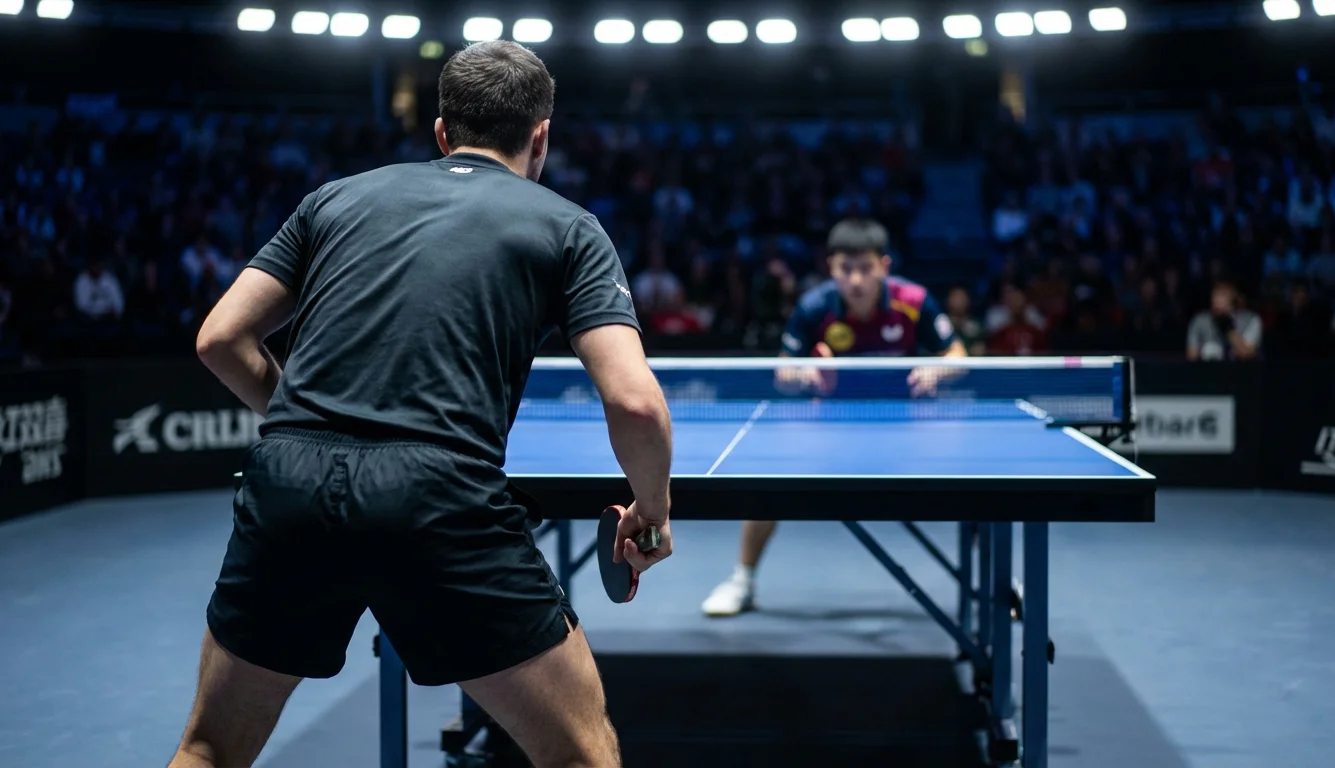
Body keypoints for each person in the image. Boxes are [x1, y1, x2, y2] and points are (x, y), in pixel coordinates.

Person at [169, 40, 674, 768]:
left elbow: (219, 339)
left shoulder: (332, 199)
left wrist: (300, 423)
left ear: (441, 132)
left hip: (287, 484)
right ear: (540, 137)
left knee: (210, 749)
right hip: (436, 494)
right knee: (579, 755)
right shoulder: (569, 226)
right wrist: (651, 511)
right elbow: (636, 404)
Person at [700, 218, 966, 618]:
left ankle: (997, 586)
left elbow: (958, 355)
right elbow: (784, 370)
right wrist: (806, 373)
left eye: (865, 268)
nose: (855, 279)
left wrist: (937, 370)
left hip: (906, 420)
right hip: (830, 421)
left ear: (884, 266)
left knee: (968, 487)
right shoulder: (815, 307)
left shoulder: (913, 301)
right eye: (846, 268)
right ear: (831, 267)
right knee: (767, 481)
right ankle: (743, 579)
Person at [1186, 279, 1262, 361]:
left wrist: (1228, 328)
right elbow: (1191, 356)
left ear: (1233, 298)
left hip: (1239, 368)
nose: (1217, 300)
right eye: (1215, 295)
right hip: (1208, 368)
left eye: (1223, 295)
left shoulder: (1250, 320)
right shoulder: (1200, 320)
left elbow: (1246, 354)